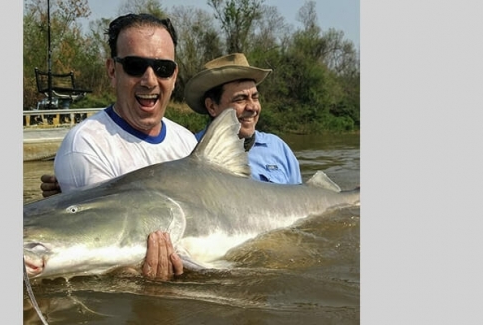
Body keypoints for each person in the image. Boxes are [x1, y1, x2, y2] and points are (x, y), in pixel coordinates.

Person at [43, 13, 198, 281]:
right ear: (112, 71)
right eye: (135, 66)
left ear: (174, 76)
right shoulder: (86, 145)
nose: (150, 80)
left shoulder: (187, 141)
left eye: (162, 69)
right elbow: (108, 263)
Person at [184, 53, 302, 184]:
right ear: (212, 106)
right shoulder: (187, 149)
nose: (252, 107)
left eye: (255, 97)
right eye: (240, 99)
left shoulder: (278, 148)